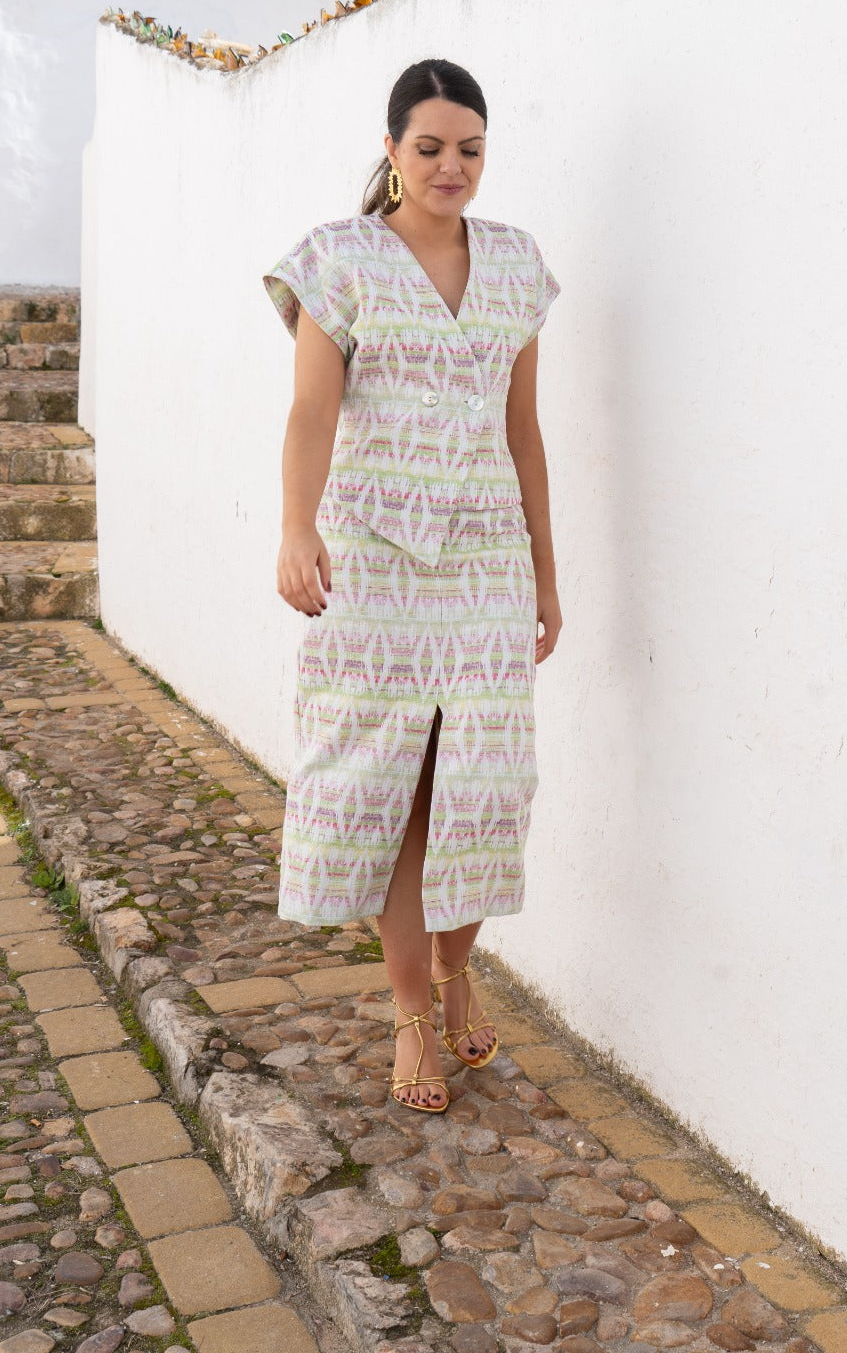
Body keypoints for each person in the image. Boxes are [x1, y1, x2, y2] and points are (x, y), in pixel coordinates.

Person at [263, 57, 562, 1113]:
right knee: (392, 790)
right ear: (391, 150)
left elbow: (523, 433)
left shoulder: (517, 265)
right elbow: (311, 413)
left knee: (481, 788)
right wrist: (296, 528)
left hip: (486, 565)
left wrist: (546, 574)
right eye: (429, 148)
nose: (451, 167)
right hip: (377, 563)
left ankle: (456, 966)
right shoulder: (338, 259)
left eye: (469, 150)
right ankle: (409, 1014)